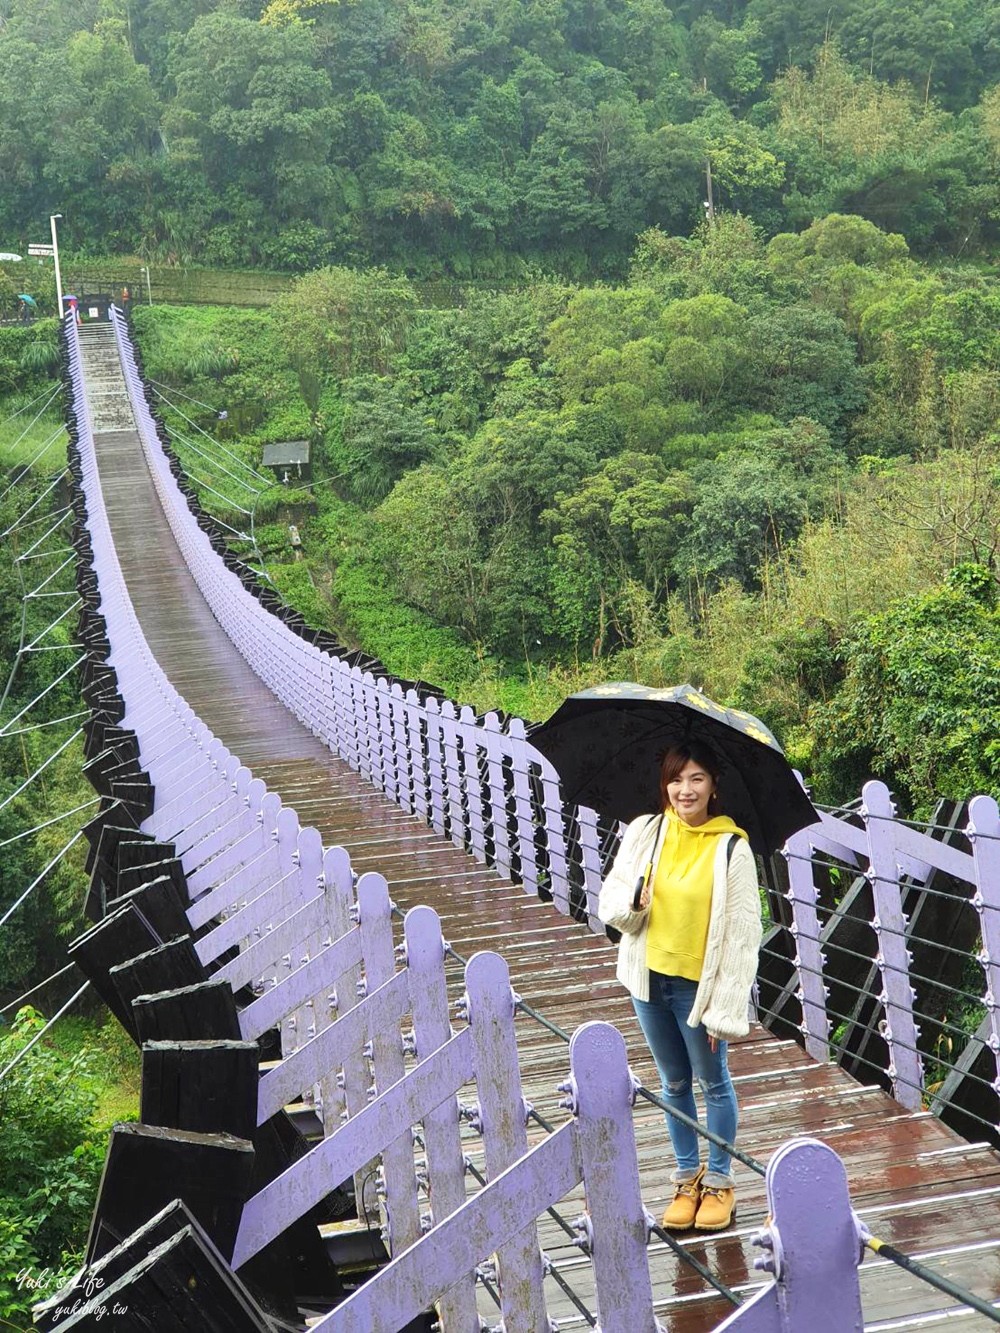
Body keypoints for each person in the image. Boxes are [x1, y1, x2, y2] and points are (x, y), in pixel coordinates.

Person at [598, 741, 762, 1232]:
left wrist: (724, 1008)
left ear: (713, 786)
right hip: (648, 978)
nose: (684, 790)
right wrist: (635, 900)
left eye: (695, 779)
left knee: (713, 1082)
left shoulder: (732, 848)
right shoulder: (646, 832)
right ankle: (687, 1177)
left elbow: (741, 935)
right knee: (672, 1082)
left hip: (698, 988)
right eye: (675, 779)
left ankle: (720, 1182)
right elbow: (613, 902)